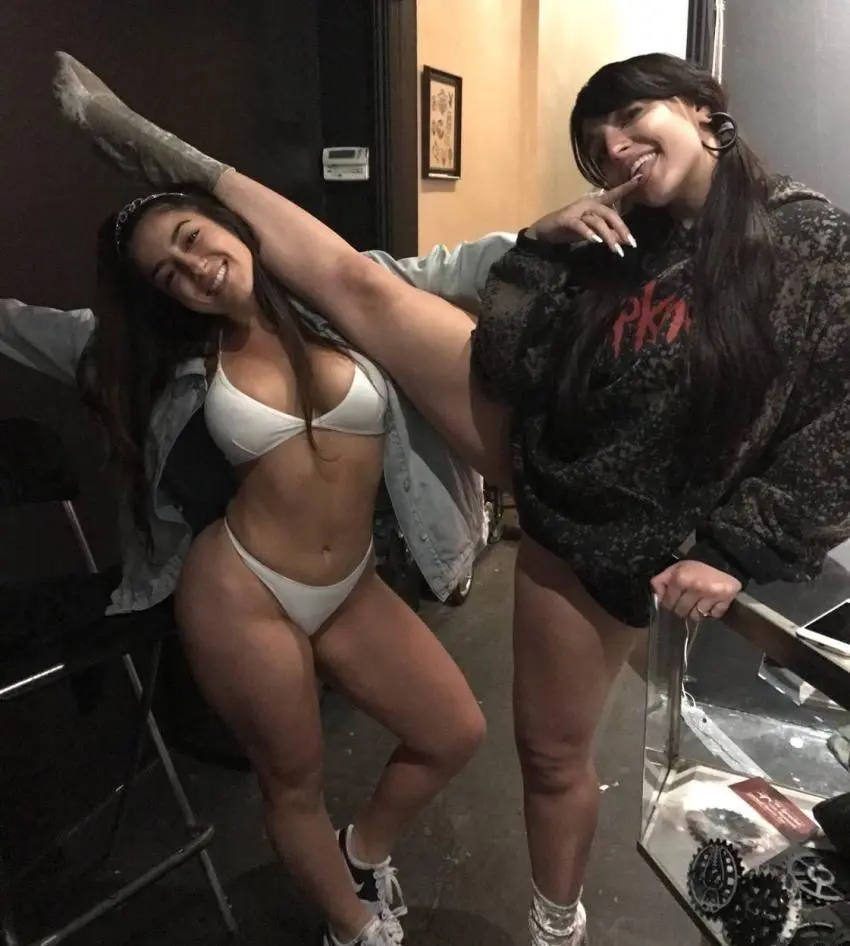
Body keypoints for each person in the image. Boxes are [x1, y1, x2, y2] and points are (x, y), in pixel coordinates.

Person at [53, 50, 850, 946]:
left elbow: (839, 425)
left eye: (633, 119)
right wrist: (542, 250)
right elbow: (512, 354)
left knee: (550, 754)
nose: (615, 148)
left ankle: (556, 929)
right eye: (596, 143)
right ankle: (149, 143)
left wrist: (734, 548)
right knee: (359, 287)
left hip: (616, 533)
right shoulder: (627, 234)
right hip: (535, 451)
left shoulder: (810, 241)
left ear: (704, 109)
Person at [0, 217, 514, 946]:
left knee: (453, 732)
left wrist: (551, 238)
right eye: (167, 273)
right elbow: (33, 330)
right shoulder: (170, 354)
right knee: (293, 785)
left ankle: (361, 852)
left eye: (190, 237)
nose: (193, 267)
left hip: (350, 585)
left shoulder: (337, 289)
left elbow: (457, 265)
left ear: (230, 223)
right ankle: (353, 929)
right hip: (243, 592)